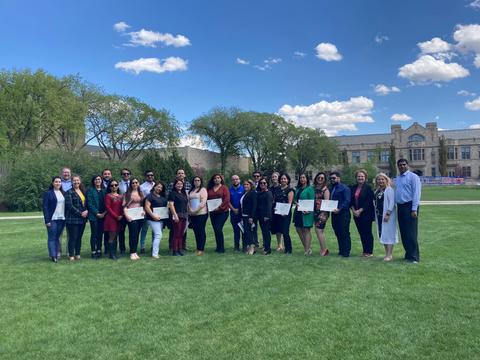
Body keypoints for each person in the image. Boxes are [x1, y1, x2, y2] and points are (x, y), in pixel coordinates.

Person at [394, 159, 422, 263]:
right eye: (400, 165)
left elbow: (416, 193)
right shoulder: (398, 178)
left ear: (407, 165)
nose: (402, 166)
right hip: (400, 207)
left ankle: (414, 257)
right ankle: (408, 254)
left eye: (403, 164)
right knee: (404, 232)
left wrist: (414, 209)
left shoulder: (413, 177)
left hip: (410, 207)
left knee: (411, 232)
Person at [350, 169, 375, 257]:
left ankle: (369, 252)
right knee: (361, 233)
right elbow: (351, 200)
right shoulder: (353, 187)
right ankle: (364, 251)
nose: (360, 178)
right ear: (356, 178)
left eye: (362, 176)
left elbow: (369, 202)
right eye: (359, 176)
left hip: (366, 214)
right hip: (356, 214)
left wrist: (360, 210)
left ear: (365, 178)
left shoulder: (368, 188)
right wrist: (353, 211)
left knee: (367, 232)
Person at [373, 173, 398, 261]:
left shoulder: (389, 190)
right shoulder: (377, 191)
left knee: (389, 234)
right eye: (379, 179)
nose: (380, 181)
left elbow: (392, 203)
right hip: (379, 216)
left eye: (382, 179)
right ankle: (386, 253)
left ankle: (390, 254)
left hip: (388, 216)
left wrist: (388, 214)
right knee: (383, 234)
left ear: (386, 180)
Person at [42, 176, 65, 262]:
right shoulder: (48, 193)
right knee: (52, 237)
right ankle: (53, 256)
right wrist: (47, 221)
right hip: (52, 219)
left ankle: (56, 253)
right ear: (52, 183)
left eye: (59, 182)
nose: (58, 183)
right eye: (56, 182)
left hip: (62, 219)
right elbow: (45, 207)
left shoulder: (63, 193)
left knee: (57, 237)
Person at [65, 175, 88, 261]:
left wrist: (86, 211)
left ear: (80, 181)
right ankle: (71, 255)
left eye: (77, 180)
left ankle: (77, 254)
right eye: (74, 180)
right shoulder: (69, 192)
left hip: (82, 219)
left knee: (79, 237)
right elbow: (70, 206)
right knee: (73, 237)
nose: (76, 182)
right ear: (71, 182)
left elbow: (86, 203)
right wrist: (80, 213)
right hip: (72, 219)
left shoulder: (83, 191)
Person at [167, 169, 192, 251]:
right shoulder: (172, 185)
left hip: (184, 212)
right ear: (176, 175)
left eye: (182, 173)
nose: (181, 174)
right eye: (179, 173)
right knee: (174, 230)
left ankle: (182, 246)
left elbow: (188, 198)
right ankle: (172, 246)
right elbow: (169, 199)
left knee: (183, 230)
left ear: (184, 175)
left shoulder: (188, 185)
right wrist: (173, 213)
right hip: (176, 212)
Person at [329, 171, 352, 257]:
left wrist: (340, 209)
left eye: (334, 178)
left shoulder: (344, 188)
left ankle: (346, 252)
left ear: (339, 178)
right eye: (331, 178)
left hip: (343, 214)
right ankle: (341, 250)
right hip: (334, 214)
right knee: (337, 232)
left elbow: (347, 201)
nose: (332, 180)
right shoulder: (332, 188)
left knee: (344, 233)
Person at [207, 174, 231, 253]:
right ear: (213, 180)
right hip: (213, 213)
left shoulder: (224, 188)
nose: (216, 179)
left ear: (221, 179)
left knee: (218, 228)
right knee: (216, 230)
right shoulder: (210, 189)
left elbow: (226, 200)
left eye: (218, 178)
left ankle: (221, 248)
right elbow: (207, 199)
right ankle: (218, 247)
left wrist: (219, 208)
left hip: (223, 212)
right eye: (215, 178)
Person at [144, 181, 168, 259]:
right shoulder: (150, 196)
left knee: (156, 235)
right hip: (152, 219)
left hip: (160, 219)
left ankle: (155, 252)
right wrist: (153, 216)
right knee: (158, 235)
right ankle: (155, 254)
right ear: (154, 187)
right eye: (158, 186)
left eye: (161, 187)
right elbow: (147, 207)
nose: (159, 188)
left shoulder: (163, 197)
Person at [123, 177, 144, 261]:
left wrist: (144, 211)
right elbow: (124, 207)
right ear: (130, 184)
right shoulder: (127, 194)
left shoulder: (141, 193)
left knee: (137, 234)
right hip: (131, 217)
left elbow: (143, 204)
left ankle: (135, 252)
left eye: (136, 182)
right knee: (133, 234)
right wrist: (127, 216)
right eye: (133, 183)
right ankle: (132, 252)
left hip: (140, 216)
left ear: (138, 183)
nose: (135, 184)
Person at [293, 173, 315, 256]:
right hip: (298, 211)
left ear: (307, 179)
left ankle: (307, 250)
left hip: (307, 212)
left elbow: (312, 200)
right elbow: (295, 199)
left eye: (303, 177)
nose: (302, 179)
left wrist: (308, 210)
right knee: (298, 229)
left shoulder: (310, 189)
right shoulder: (298, 189)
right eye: (300, 178)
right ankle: (307, 248)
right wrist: (296, 203)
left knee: (306, 230)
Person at [86, 175, 106, 259]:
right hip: (94, 216)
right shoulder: (90, 191)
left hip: (103, 215)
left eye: (99, 179)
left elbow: (107, 203)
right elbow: (89, 203)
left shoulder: (104, 191)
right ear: (93, 181)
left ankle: (99, 250)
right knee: (94, 233)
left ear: (101, 180)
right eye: (96, 179)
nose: (98, 181)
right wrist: (97, 213)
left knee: (100, 234)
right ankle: (93, 251)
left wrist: (104, 213)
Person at [188, 176, 208, 256]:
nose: (197, 181)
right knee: (196, 231)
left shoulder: (203, 190)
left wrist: (196, 210)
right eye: (195, 180)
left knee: (201, 231)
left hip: (201, 213)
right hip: (193, 214)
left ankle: (201, 249)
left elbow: (203, 202)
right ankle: (198, 247)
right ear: (193, 181)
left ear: (201, 181)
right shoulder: (191, 191)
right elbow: (188, 201)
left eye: (198, 180)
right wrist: (190, 210)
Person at [275, 174, 294, 254]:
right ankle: (281, 246)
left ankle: (288, 249)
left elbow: (289, 203)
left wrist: (285, 212)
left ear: (288, 180)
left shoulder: (290, 190)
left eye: (285, 179)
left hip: (286, 213)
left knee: (285, 231)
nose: (283, 180)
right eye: (282, 179)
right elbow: (275, 201)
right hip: (278, 213)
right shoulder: (277, 189)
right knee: (279, 230)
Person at [104, 179, 123, 260]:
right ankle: (111, 254)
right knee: (112, 236)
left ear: (118, 186)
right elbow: (108, 208)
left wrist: (122, 215)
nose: (114, 186)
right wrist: (116, 216)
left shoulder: (121, 196)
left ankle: (114, 252)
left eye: (115, 185)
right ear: (109, 187)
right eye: (112, 185)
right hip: (111, 219)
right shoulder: (108, 196)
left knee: (116, 236)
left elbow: (122, 207)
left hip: (120, 218)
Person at [313, 172, 330, 256]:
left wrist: (324, 213)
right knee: (319, 231)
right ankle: (322, 248)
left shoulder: (325, 190)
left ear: (324, 180)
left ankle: (324, 250)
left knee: (318, 230)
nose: (320, 179)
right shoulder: (314, 188)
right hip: (315, 211)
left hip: (322, 212)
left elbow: (327, 203)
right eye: (318, 177)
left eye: (322, 178)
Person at [139, 170, 155, 254]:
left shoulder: (156, 185)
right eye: (148, 175)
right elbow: (141, 200)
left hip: (155, 210)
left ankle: (153, 245)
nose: (150, 177)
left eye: (151, 175)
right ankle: (142, 246)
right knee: (144, 229)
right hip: (146, 209)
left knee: (154, 229)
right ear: (146, 177)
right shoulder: (142, 186)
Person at [256, 177, 273, 255]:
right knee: (263, 232)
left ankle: (267, 249)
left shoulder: (268, 193)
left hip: (266, 216)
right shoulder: (259, 193)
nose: (262, 184)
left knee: (266, 232)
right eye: (261, 183)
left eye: (264, 183)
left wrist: (267, 216)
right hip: (260, 215)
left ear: (267, 184)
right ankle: (265, 246)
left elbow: (269, 206)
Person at [240, 180, 257, 255]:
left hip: (249, 216)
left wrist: (251, 217)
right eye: (244, 184)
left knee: (250, 232)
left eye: (247, 184)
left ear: (251, 185)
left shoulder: (253, 193)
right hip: (243, 215)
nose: (245, 186)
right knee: (246, 232)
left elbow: (254, 205)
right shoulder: (244, 193)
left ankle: (252, 248)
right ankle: (248, 247)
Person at [229, 174, 244, 251]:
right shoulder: (230, 189)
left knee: (244, 230)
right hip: (233, 213)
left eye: (237, 179)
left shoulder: (243, 188)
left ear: (239, 180)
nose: (235, 180)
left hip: (242, 213)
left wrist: (239, 209)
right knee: (236, 230)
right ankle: (236, 247)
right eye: (233, 179)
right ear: (232, 181)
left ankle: (245, 246)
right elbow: (228, 201)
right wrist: (233, 209)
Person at [59, 167, 72, 257]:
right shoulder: (58, 182)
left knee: (70, 233)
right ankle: (58, 251)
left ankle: (69, 251)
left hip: (70, 211)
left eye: (67, 172)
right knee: (59, 233)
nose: (66, 174)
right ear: (62, 173)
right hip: (60, 210)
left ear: (70, 173)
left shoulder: (74, 182)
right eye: (64, 172)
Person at [117, 168, 131, 254]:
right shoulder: (117, 185)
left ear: (130, 175)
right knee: (121, 231)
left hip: (132, 211)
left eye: (127, 173)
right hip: (121, 210)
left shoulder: (134, 184)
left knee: (132, 231)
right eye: (124, 174)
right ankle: (122, 249)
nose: (126, 175)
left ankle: (132, 248)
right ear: (121, 175)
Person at [269, 172, 284, 252]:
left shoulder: (281, 188)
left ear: (278, 178)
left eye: (275, 176)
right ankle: (267, 244)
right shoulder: (270, 188)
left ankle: (280, 244)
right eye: (272, 177)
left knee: (279, 228)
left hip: (279, 210)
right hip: (271, 210)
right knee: (271, 228)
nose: (274, 178)